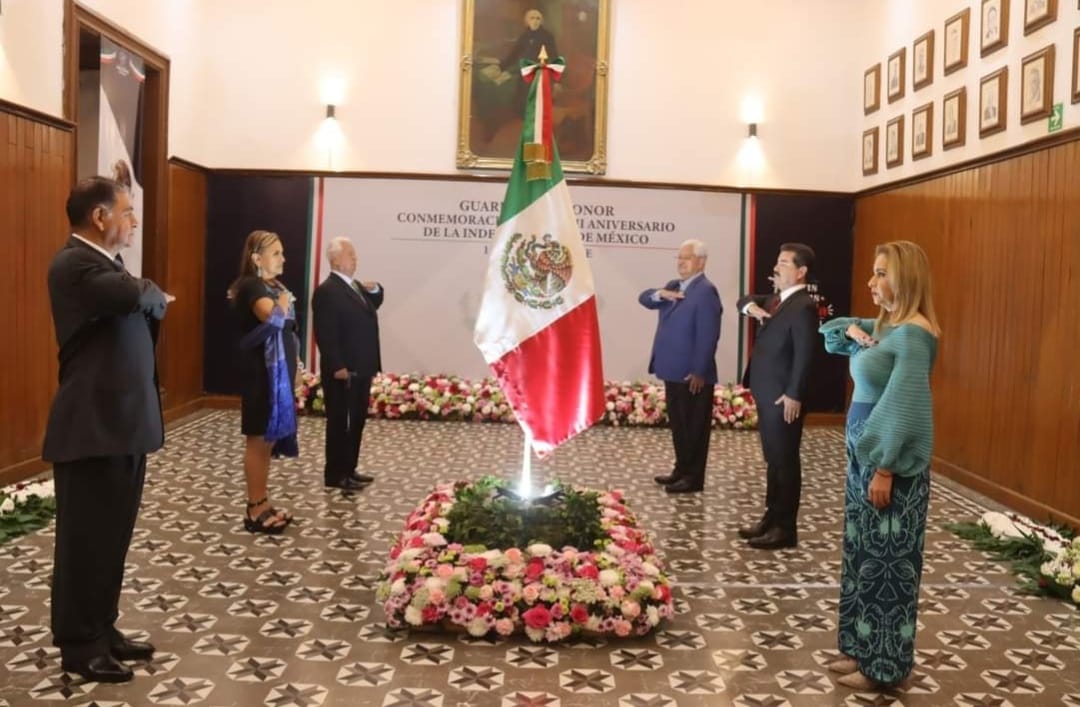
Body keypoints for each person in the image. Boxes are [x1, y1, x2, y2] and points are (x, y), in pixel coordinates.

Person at [43, 176, 173, 683]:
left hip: (120, 428)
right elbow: (133, 296)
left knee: (111, 538)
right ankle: (79, 644)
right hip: (91, 428)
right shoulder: (75, 264)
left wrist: (149, 295)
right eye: (128, 211)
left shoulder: (105, 267)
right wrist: (152, 292)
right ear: (100, 217)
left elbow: (141, 298)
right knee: (86, 542)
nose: (134, 221)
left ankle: (103, 628)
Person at [818, 240, 940, 690]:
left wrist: (885, 467)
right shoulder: (890, 328)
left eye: (881, 273)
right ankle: (860, 651)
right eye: (873, 272)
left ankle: (884, 669)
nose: (872, 282)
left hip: (886, 465)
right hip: (863, 458)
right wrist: (856, 332)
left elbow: (906, 404)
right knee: (862, 558)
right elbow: (835, 332)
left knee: (888, 568)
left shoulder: (913, 334)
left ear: (906, 278)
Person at [735, 244, 819, 549]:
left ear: (800, 271)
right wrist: (751, 308)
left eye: (783, 263)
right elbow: (743, 300)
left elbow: (805, 355)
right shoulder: (775, 301)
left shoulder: (804, 305)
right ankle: (770, 519)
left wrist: (794, 394)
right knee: (773, 460)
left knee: (785, 461)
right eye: (777, 261)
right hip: (767, 393)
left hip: (784, 398)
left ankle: (785, 528)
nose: (776, 267)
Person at [228, 230, 299, 533]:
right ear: (257, 258)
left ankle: (264, 500)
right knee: (257, 440)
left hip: (277, 375)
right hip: (261, 375)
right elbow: (274, 319)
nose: (282, 258)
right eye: (276, 253)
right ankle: (254, 507)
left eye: (282, 252)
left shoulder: (272, 286)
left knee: (266, 441)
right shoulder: (251, 287)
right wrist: (283, 301)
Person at [640, 239, 723, 494]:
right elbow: (644, 299)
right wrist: (660, 293)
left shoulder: (706, 290)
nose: (680, 262)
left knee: (694, 428)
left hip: (692, 374)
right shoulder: (674, 286)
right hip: (672, 370)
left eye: (686, 258)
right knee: (679, 425)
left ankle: (693, 477)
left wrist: (699, 370)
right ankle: (681, 469)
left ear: (701, 262)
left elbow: (709, 334)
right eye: (678, 257)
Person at [311, 237, 384, 491]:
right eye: (350, 254)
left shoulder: (353, 286)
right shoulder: (327, 291)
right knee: (339, 422)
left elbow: (374, 302)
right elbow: (325, 333)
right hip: (344, 370)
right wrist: (336, 364)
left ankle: (349, 469)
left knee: (357, 420)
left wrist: (373, 289)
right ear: (336, 259)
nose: (355, 258)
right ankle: (335, 473)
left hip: (362, 366)